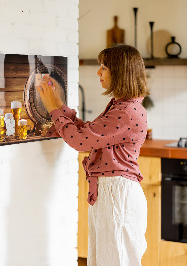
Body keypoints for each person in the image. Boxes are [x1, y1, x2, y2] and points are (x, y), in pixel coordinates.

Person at [37, 44, 149, 266]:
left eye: (104, 67)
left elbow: (80, 141)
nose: (98, 72)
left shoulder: (126, 111)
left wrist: (53, 109)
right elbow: (89, 133)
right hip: (112, 193)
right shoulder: (122, 106)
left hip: (117, 195)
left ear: (120, 72)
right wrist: (59, 105)